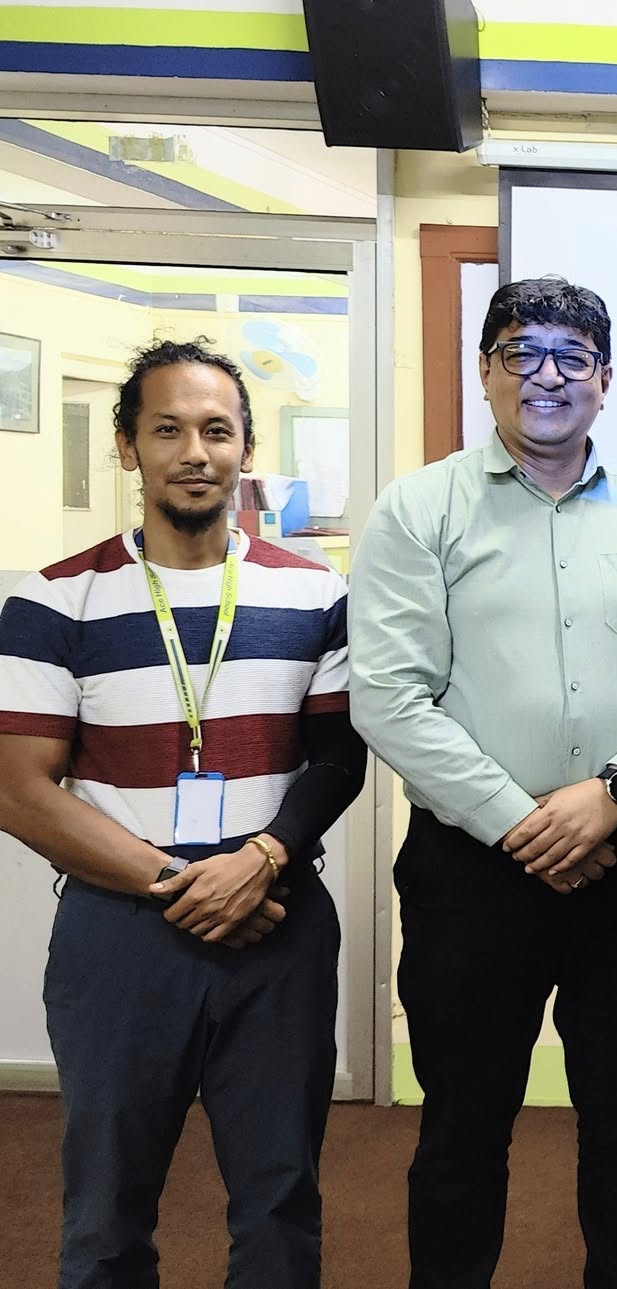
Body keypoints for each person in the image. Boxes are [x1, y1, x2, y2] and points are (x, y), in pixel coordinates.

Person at [349, 277, 617, 1289]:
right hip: (470, 871)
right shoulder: (417, 510)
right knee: (462, 1123)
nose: (547, 376)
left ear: (605, 380)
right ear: (486, 371)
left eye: (572, 357)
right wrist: (522, 823)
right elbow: (389, 698)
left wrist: (613, 791)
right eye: (521, 352)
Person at [0, 338, 363, 1287]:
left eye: (216, 430)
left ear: (246, 449)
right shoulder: (54, 599)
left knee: (281, 1199)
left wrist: (262, 860)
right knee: (106, 1206)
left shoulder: (315, 591)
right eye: (167, 430)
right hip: (121, 929)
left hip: (276, 919)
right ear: (128, 447)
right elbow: (18, 789)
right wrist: (177, 881)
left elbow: (339, 758)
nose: (195, 452)